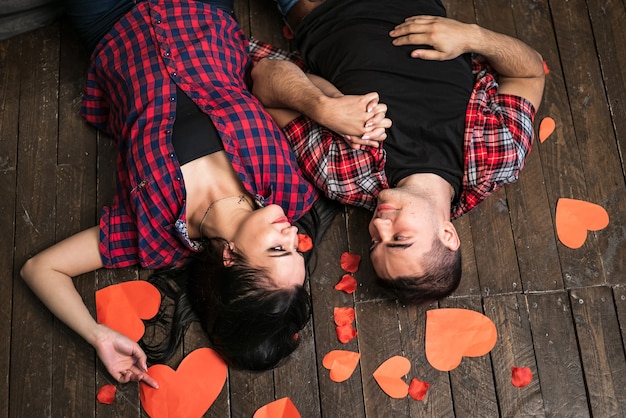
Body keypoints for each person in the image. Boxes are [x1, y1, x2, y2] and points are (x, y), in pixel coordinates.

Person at [19, 0, 390, 385]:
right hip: (202, 10)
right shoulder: (289, 190)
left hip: (110, 21)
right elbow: (275, 87)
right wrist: (326, 107)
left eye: (278, 249)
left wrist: (98, 335)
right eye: (296, 248)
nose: (293, 234)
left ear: (229, 256)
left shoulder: (152, 235)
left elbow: (41, 268)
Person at [251, 0, 545, 305]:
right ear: (447, 235)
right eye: (399, 240)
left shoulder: (345, 177)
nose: (377, 226)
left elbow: (264, 77)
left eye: (376, 242)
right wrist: (473, 37)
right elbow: (529, 74)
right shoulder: (499, 157)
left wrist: (324, 107)